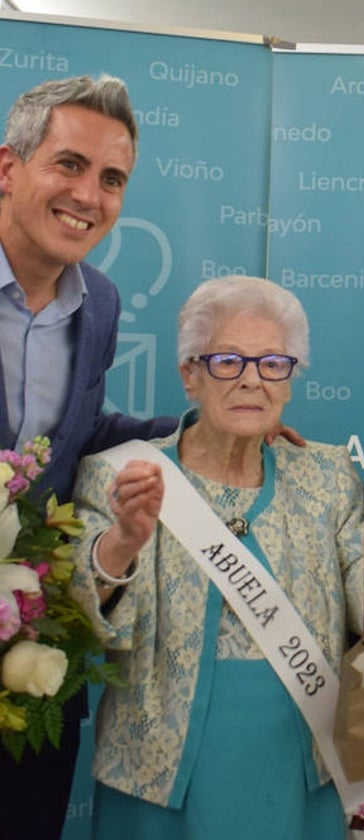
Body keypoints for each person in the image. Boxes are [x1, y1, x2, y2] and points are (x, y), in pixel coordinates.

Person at [67, 275, 364, 837]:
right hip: (158, 774)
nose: (251, 380)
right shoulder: (121, 476)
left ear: (290, 380)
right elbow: (83, 624)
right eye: (227, 361)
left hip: (301, 766)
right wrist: (122, 542)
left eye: (273, 363)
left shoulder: (326, 476)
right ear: (189, 374)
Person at [0, 74, 177, 839]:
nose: (89, 195)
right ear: (8, 168)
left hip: (34, 649)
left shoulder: (98, 301)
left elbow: (80, 434)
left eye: (111, 179)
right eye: (68, 164)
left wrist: (207, 430)